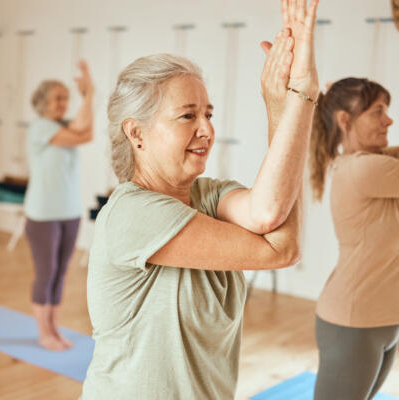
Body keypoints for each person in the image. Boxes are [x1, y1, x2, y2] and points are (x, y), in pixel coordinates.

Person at [80, 0, 319, 398]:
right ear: (136, 134)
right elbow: (281, 249)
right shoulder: (132, 213)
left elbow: (268, 212)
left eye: (209, 113)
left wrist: (283, 103)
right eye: (187, 116)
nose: (207, 129)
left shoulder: (209, 196)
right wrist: (303, 97)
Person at [309, 77, 399, 400]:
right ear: (344, 119)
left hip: (384, 318)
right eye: (378, 111)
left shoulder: (379, 165)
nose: (389, 119)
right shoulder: (363, 170)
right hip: (352, 322)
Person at [24, 61, 94, 351]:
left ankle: (54, 328)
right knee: (47, 272)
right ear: (43, 103)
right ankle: (43, 333)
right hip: (43, 215)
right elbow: (84, 132)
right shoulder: (40, 127)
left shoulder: (63, 126)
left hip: (70, 212)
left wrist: (89, 94)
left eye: (67, 98)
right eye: (58, 98)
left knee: (62, 272)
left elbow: (86, 131)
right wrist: (88, 96)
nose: (64, 103)